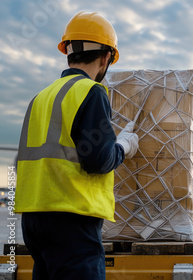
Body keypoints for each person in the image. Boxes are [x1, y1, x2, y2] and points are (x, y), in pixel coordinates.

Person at [14, 11, 139, 280]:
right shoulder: (91, 91)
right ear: (106, 57)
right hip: (71, 221)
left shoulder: (40, 97)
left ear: (68, 52)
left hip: (34, 219)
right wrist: (123, 146)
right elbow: (98, 160)